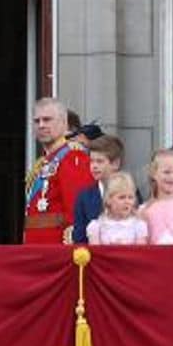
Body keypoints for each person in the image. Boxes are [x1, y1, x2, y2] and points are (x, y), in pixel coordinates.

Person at [23, 97, 94, 243]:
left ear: (64, 123)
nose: (41, 125)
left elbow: (77, 211)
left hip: (57, 252)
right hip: (36, 249)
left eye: (47, 119)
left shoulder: (73, 157)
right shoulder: (43, 162)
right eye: (37, 121)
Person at [72, 134, 126, 244]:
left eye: (99, 161)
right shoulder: (84, 197)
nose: (94, 166)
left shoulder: (130, 192)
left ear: (115, 164)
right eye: (92, 161)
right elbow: (79, 237)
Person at [86, 172, 148, 245]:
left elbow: (140, 254)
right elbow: (95, 254)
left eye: (130, 197)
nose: (127, 202)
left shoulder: (138, 226)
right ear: (109, 199)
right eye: (122, 197)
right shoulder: (97, 227)